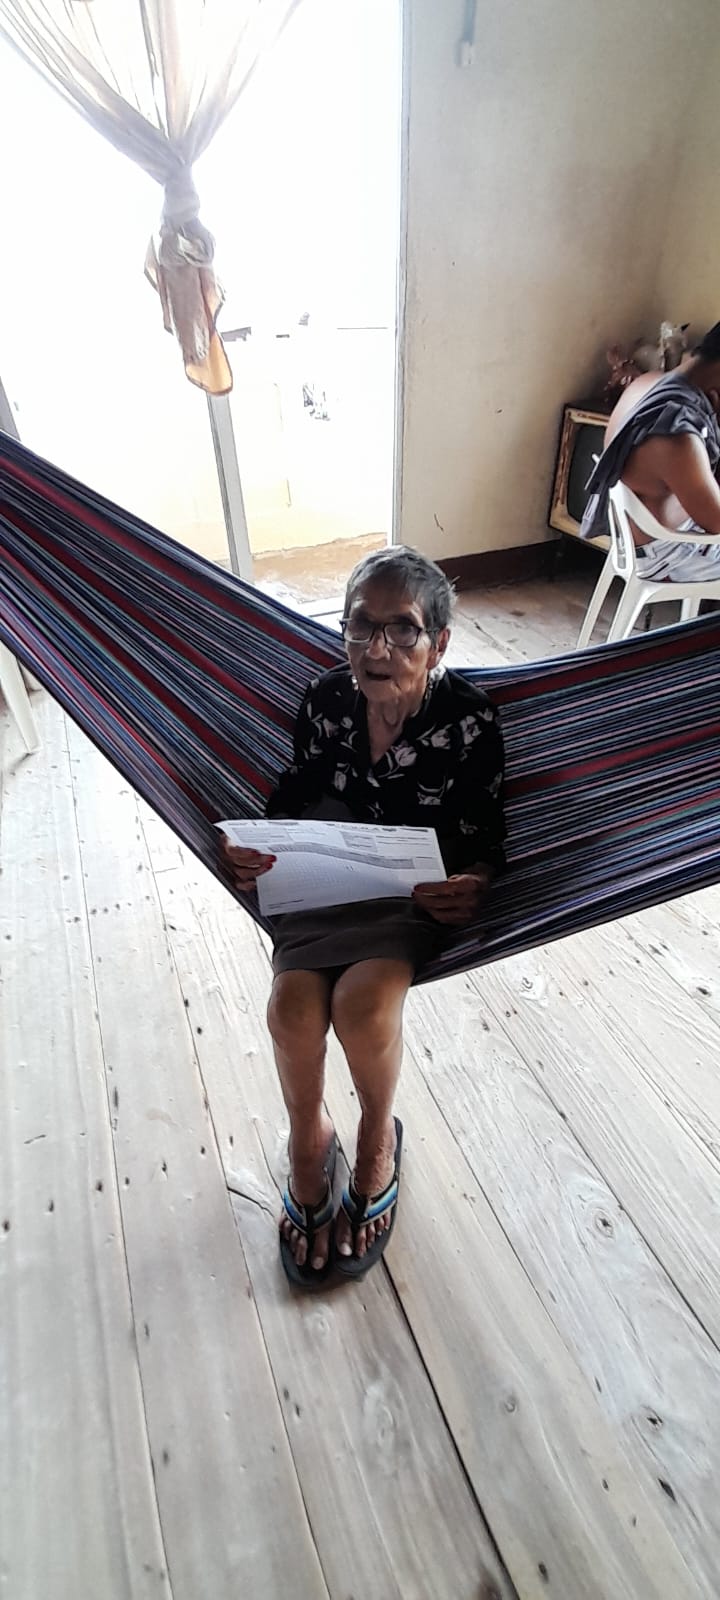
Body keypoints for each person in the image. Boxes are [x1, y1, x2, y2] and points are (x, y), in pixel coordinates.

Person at [221, 547, 505, 1287]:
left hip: (406, 899)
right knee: (290, 1010)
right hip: (319, 884)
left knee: (364, 1006)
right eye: (360, 626)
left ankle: (376, 1135)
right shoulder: (325, 698)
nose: (378, 648)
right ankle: (308, 1139)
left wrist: (474, 880)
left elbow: (483, 832)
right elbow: (294, 791)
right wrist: (252, 845)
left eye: (402, 629)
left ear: (438, 643)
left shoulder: (469, 720)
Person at [582, 321, 720, 581]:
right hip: (668, 555)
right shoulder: (678, 434)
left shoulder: (646, 383)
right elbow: (717, 523)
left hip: (632, 540)